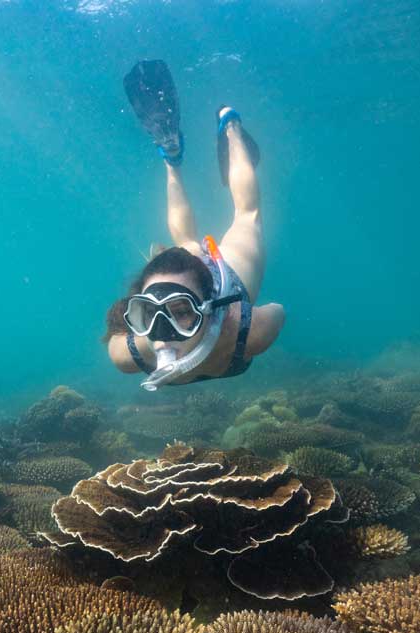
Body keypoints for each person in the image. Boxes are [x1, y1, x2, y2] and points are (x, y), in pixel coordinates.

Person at [105, 60, 285, 391]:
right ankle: (172, 157)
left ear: (210, 309)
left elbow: (276, 313)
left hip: (227, 273)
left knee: (247, 214)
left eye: (181, 312)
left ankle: (228, 127)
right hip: (198, 283)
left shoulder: (246, 334)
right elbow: (278, 312)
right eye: (148, 313)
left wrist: (232, 318)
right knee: (197, 235)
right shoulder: (131, 353)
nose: (162, 333)